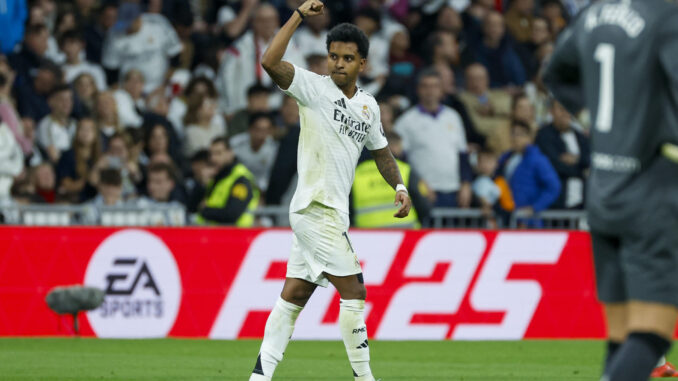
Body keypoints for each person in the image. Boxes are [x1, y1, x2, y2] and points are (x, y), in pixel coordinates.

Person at [249, 2, 411, 380]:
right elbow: (270, 62)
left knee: (294, 296)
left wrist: (400, 185)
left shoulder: (369, 107)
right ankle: (364, 377)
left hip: (332, 212)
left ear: (362, 64)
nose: (338, 63)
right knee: (354, 291)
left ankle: (259, 376)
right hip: (315, 208)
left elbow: (382, 153)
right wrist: (298, 17)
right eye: (333, 56)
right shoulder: (313, 89)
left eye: (347, 58)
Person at [543, 1, 678, 379]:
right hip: (652, 187)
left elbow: (555, 73)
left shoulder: (593, 14)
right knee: (652, 334)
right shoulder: (667, 17)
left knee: (621, 337)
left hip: (604, 189)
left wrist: (604, 124)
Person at [394, 68, 472, 208]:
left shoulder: (453, 117)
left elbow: (463, 155)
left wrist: (466, 184)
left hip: (454, 190)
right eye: (425, 86)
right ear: (418, 90)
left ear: (441, 90)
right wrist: (417, 184)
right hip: (423, 192)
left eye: (435, 86)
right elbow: (400, 160)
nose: (430, 91)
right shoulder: (405, 122)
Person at [351, 132, 430, 228]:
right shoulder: (405, 170)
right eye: (400, 146)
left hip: (368, 235)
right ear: (392, 146)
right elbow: (423, 204)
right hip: (406, 233)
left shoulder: (357, 173)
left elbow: (347, 206)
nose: (402, 150)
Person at [495, 120, 560, 219]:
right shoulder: (504, 159)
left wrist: (535, 207)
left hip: (528, 221)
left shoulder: (538, 160)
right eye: (513, 134)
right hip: (506, 217)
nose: (515, 138)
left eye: (520, 134)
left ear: (529, 138)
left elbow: (553, 187)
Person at [535, 100, 590, 210]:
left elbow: (589, 160)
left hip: (582, 202)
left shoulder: (580, 136)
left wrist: (576, 160)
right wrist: (582, 171)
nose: (566, 112)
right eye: (561, 109)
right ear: (551, 112)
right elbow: (554, 165)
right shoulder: (544, 135)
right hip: (556, 204)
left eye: (568, 108)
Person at [196, 137, 259, 226]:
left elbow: (232, 214)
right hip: (212, 235)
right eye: (211, 154)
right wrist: (201, 184)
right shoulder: (216, 177)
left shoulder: (241, 179)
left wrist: (205, 210)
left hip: (236, 236)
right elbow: (192, 207)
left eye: (218, 153)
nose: (213, 158)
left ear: (230, 153)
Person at [230, 112, 279, 193]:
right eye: (258, 129)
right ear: (250, 129)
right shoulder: (235, 144)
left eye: (266, 130)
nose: (261, 134)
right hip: (237, 185)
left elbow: (269, 175)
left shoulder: (274, 148)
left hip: (263, 189)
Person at [37, 84, 77, 164]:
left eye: (69, 99)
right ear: (51, 102)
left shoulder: (75, 123)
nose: (67, 103)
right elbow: (54, 157)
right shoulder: (45, 125)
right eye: (62, 99)